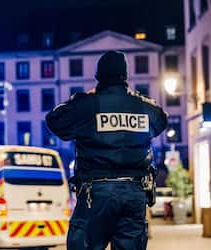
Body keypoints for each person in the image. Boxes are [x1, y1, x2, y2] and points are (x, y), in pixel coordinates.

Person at [45, 50, 168, 250]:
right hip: (134, 192)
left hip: (96, 193)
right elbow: (162, 120)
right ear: (125, 75)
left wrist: (84, 98)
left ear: (98, 76)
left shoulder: (88, 104)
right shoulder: (144, 106)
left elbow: (54, 119)